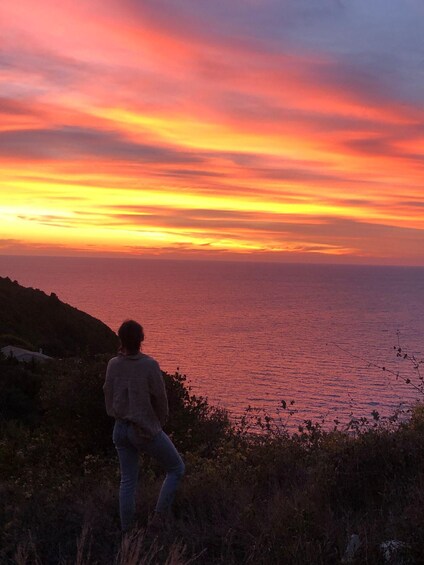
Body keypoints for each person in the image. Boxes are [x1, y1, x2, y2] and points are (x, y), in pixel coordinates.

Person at [103, 319, 185, 534]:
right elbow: (160, 397)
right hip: (144, 428)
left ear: (121, 339)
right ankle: (158, 519)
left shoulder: (113, 364)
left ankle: (127, 533)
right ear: (141, 339)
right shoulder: (148, 365)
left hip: (120, 428)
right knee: (176, 468)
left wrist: (116, 413)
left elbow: (107, 393)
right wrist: (159, 422)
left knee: (128, 480)